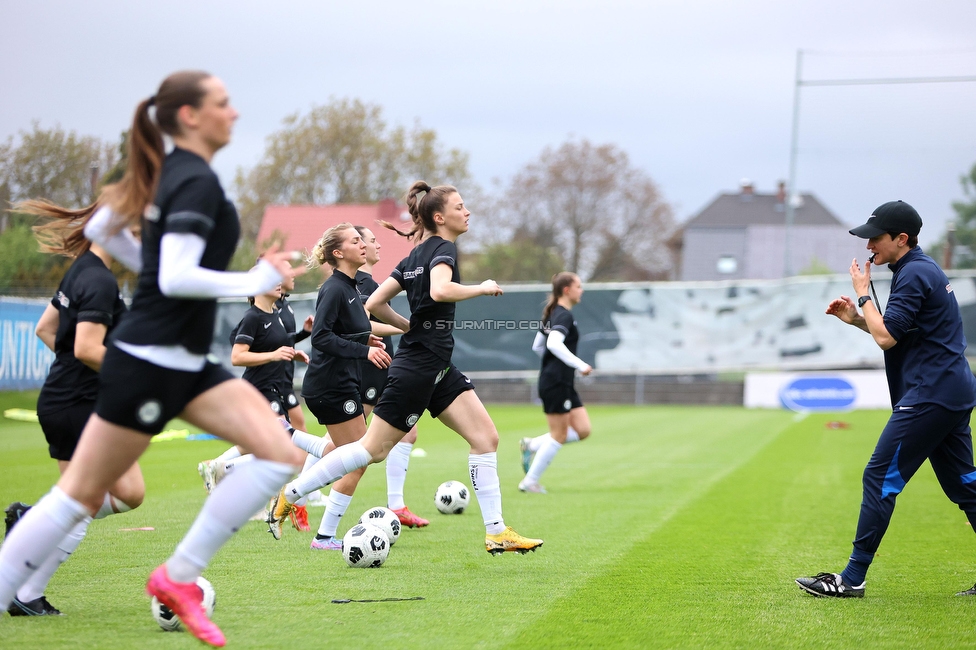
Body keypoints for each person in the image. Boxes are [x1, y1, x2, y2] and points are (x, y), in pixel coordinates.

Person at [0, 71, 304, 647]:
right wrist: (254, 277)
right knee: (78, 498)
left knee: (278, 452)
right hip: (148, 360)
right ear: (189, 116)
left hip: (183, 359)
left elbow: (100, 229)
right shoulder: (191, 179)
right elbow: (178, 273)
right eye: (223, 103)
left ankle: (178, 576)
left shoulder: (173, 174)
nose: (234, 112)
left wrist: (153, 268)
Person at [267, 181, 543, 555]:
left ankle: (496, 532)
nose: (468, 212)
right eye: (461, 206)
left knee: (485, 438)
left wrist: (405, 325)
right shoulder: (443, 249)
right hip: (419, 367)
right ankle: (292, 493)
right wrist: (483, 287)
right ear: (440, 216)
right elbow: (441, 291)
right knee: (371, 450)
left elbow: (376, 302)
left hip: (437, 364)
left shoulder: (414, 257)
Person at [796, 200, 976, 599]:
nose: (869, 246)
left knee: (879, 477)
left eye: (875, 238)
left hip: (931, 393)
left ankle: (852, 578)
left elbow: (887, 338)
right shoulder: (919, 270)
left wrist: (863, 297)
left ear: (901, 239)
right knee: (965, 485)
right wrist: (857, 319)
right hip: (949, 390)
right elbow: (897, 333)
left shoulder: (913, 274)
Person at [1, 204, 144, 616]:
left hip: (72, 400)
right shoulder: (97, 279)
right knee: (90, 500)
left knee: (121, 493)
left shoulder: (83, 270)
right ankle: (26, 591)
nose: (137, 240)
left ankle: (32, 528)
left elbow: (45, 329)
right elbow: (83, 347)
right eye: (133, 231)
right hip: (77, 405)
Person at [267, 223, 393, 546]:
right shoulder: (335, 288)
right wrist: (365, 351)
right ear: (339, 253)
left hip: (342, 383)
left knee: (347, 454)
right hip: (329, 386)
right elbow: (321, 337)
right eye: (355, 241)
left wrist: (365, 337)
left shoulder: (351, 287)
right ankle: (306, 513)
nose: (362, 245)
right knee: (361, 457)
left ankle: (291, 441)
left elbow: (340, 331)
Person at [355, 225, 428, 528]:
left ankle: (396, 505)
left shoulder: (370, 282)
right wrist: (405, 326)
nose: (377, 245)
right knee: (346, 442)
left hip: (387, 365)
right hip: (368, 365)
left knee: (408, 432)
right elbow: (360, 326)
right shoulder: (357, 284)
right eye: (372, 240)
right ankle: (298, 495)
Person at [518, 272, 593, 494]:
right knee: (559, 434)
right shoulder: (563, 315)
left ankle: (531, 445)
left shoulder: (555, 313)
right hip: (557, 382)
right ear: (567, 290)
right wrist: (578, 364)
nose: (582, 290)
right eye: (579, 286)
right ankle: (529, 482)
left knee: (583, 430)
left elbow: (537, 346)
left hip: (562, 382)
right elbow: (552, 343)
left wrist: (555, 366)